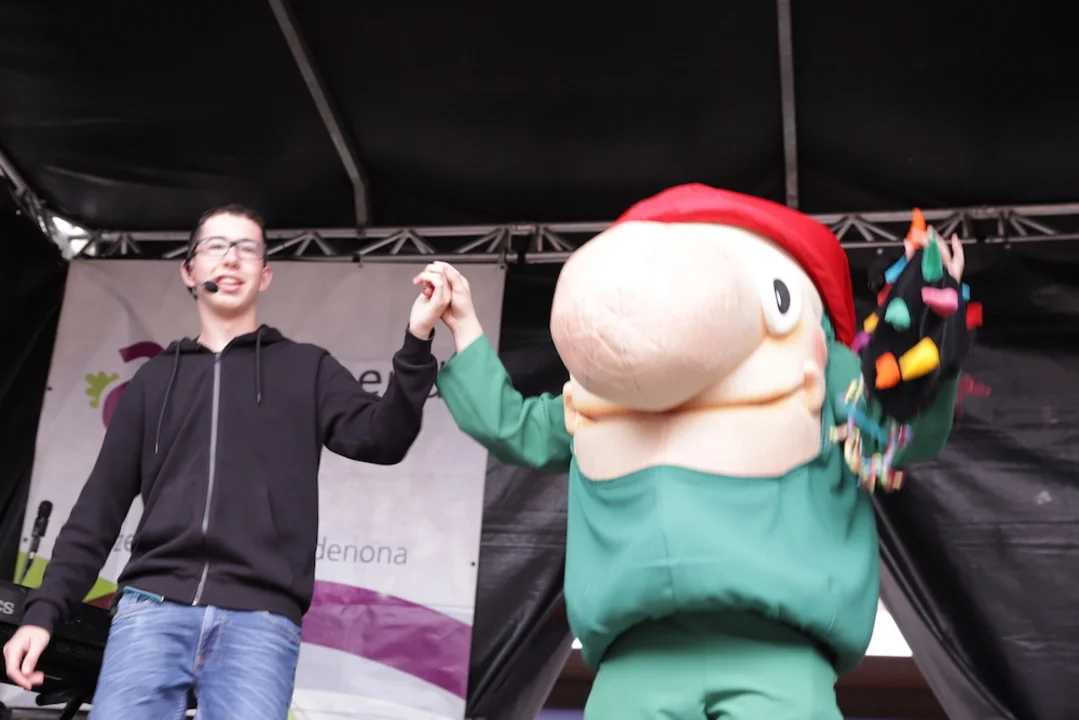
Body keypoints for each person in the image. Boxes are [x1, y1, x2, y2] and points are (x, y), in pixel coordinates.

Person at [424, 183, 970, 719]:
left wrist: (930, 328)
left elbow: (900, 432)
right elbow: (514, 426)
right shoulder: (597, 399)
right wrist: (464, 327)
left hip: (778, 656)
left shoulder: (818, 370)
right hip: (635, 662)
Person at [3, 204, 450, 719]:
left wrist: (418, 340)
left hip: (259, 621)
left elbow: (382, 439)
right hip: (150, 612)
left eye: (247, 248)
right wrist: (42, 613)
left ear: (265, 275)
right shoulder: (152, 380)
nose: (232, 258)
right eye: (216, 246)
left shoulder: (307, 368)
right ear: (189, 271)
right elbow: (96, 512)